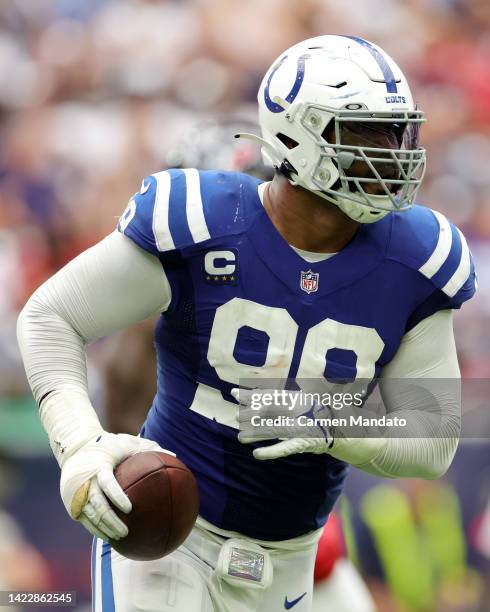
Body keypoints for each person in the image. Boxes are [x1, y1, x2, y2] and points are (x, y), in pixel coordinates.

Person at [17, 35, 476, 612]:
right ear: (295, 135)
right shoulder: (205, 222)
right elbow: (51, 315)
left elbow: (433, 440)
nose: (392, 152)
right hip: (171, 544)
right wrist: (80, 445)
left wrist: (333, 426)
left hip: (292, 560)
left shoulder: (419, 256)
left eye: (396, 131)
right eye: (364, 133)